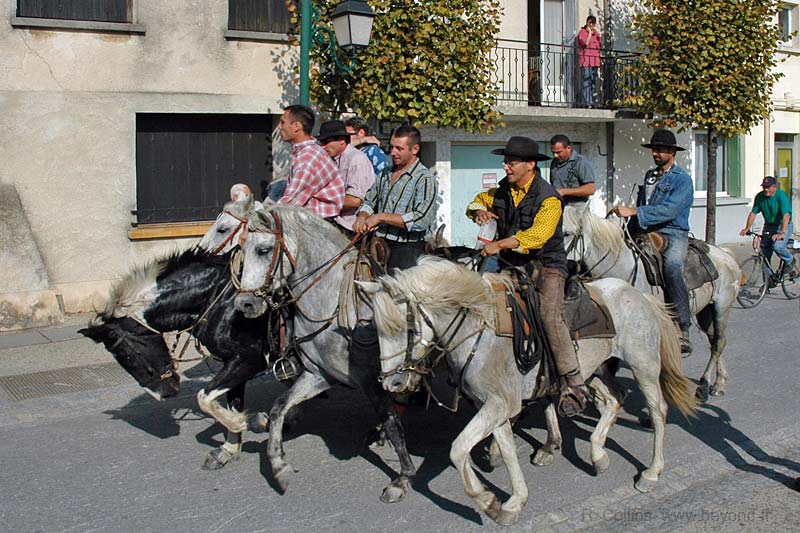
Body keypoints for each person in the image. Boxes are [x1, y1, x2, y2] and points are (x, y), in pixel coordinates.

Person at [466, 136, 587, 417]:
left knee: (549, 316)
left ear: (530, 165)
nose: (506, 166)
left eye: (512, 161)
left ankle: (574, 381)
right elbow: (476, 201)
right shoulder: (502, 189)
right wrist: (479, 212)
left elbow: (538, 236)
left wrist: (500, 244)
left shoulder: (549, 198)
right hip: (513, 263)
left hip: (547, 265)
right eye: (506, 161)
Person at [611, 129, 694, 355]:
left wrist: (635, 211)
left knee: (673, 267)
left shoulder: (683, 180)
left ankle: (682, 327)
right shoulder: (650, 175)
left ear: (672, 152)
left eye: (659, 150)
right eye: (654, 150)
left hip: (672, 231)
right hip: (644, 229)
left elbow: (670, 210)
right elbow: (644, 201)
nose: (655, 153)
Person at [354, 124, 437, 270]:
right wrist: (362, 216)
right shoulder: (384, 173)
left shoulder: (424, 178)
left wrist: (380, 217)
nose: (393, 152)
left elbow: (421, 219)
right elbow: (368, 201)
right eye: (391, 147)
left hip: (407, 248)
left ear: (415, 149)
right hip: (378, 242)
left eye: (399, 148)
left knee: (395, 289)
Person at [277, 105, 344, 220]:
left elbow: (290, 202)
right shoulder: (305, 153)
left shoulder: (308, 158)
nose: (279, 127)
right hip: (312, 220)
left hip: (318, 224)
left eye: (282, 122)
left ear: (297, 126)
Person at [317, 120, 376, 235]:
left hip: (353, 228)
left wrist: (321, 207)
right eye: (321, 142)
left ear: (342, 140)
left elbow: (354, 200)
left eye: (326, 142)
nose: (323, 147)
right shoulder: (334, 159)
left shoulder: (356, 160)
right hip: (336, 222)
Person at [739, 176, 794, 277]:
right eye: (764, 187)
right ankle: (769, 283)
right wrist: (747, 228)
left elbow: (786, 215)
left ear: (774, 187)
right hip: (769, 226)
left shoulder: (781, 196)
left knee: (778, 246)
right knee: (764, 255)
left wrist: (782, 233)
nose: (766, 189)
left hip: (783, 225)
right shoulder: (760, 197)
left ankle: (790, 260)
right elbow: (753, 213)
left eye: (768, 187)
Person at [549, 134, 596, 207]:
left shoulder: (581, 162)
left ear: (568, 148)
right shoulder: (554, 162)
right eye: (553, 152)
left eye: (558, 152)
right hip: (557, 206)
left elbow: (590, 189)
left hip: (575, 209)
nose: (555, 155)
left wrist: (564, 191)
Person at [577, 15, 601, 107]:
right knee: (586, 81)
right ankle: (587, 102)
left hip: (595, 61)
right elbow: (585, 43)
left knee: (592, 81)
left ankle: (590, 101)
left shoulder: (597, 34)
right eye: (590, 22)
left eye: (593, 23)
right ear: (587, 22)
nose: (591, 25)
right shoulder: (582, 32)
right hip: (586, 61)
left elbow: (599, 47)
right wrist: (590, 33)